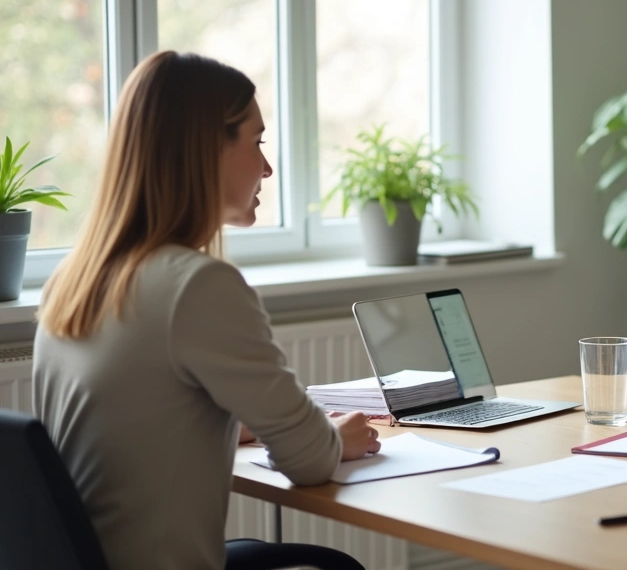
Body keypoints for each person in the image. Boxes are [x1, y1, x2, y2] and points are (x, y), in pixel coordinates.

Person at [34, 51, 381, 570]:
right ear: (206, 149)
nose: (267, 167)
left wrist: (229, 424)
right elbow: (309, 461)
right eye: (257, 141)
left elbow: (139, 415)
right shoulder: (198, 286)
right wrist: (337, 438)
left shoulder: (73, 279)